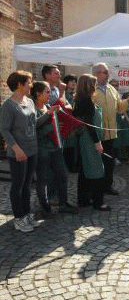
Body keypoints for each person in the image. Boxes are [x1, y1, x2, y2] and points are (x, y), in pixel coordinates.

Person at [0, 71, 40, 232]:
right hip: (18, 152)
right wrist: (16, 149)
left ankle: (26, 213)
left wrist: (49, 114)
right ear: (19, 85)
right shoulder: (8, 105)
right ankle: (18, 218)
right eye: (29, 82)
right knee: (18, 185)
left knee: (27, 185)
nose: (31, 85)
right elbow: (5, 130)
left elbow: (33, 123)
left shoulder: (30, 102)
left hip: (32, 149)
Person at [31, 81, 77, 216]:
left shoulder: (47, 106)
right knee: (43, 179)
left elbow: (54, 124)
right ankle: (45, 208)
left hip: (55, 148)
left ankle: (63, 203)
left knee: (63, 175)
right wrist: (50, 127)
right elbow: (33, 129)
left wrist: (61, 127)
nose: (49, 95)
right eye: (47, 92)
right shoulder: (32, 108)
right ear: (38, 94)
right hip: (42, 149)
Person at [92, 62, 129, 196]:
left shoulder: (111, 88)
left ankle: (107, 186)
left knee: (109, 162)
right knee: (96, 164)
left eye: (107, 72)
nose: (108, 74)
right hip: (97, 134)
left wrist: (128, 101)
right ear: (96, 74)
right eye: (105, 72)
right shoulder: (91, 88)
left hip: (111, 133)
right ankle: (96, 189)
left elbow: (119, 108)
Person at [72, 74, 110, 211]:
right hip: (89, 139)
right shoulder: (86, 100)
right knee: (97, 170)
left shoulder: (81, 99)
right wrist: (97, 142)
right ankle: (98, 202)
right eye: (94, 84)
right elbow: (88, 124)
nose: (96, 86)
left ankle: (83, 199)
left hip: (85, 138)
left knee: (85, 171)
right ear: (89, 85)